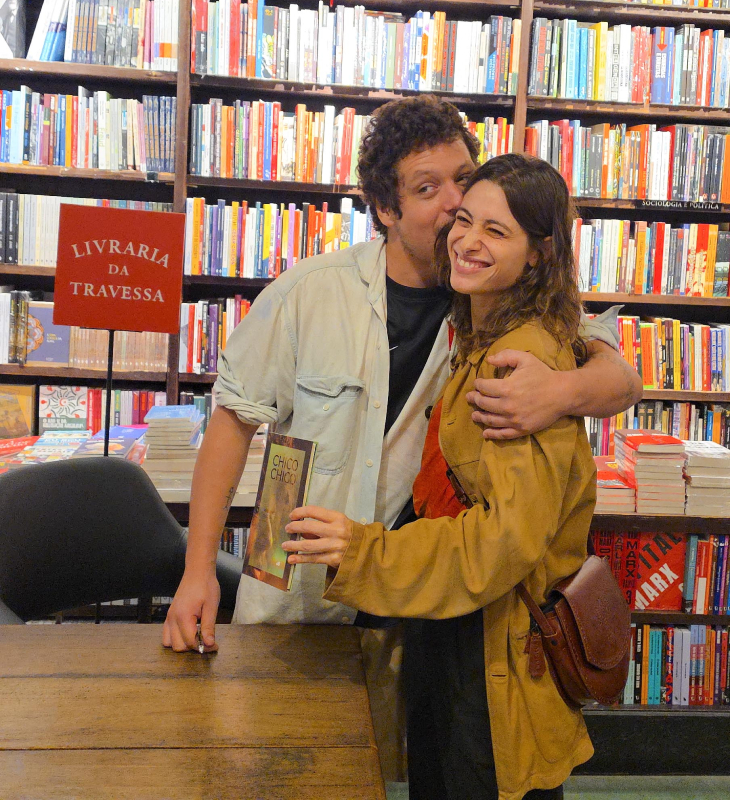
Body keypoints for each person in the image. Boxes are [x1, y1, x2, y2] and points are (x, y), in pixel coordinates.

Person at [162, 96, 642, 786]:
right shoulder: (311, 291)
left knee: (381, 770)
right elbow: (233, 422)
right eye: (428, 189)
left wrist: (562, 391)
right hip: (294, 582)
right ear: (385, 209)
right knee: (269, 768)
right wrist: (199, 570)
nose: (456, 206)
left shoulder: (494, 297)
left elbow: (619, 373)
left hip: (412, 594)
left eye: (464, 179)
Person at [282, 153, 600, 800]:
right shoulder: (479, 332)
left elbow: (502, 542)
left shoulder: (518, 363)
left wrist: (363, 550)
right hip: (458, 632)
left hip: (492, 660)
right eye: (463, 220)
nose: (468, 241)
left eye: (496, 231)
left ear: (538, 254)